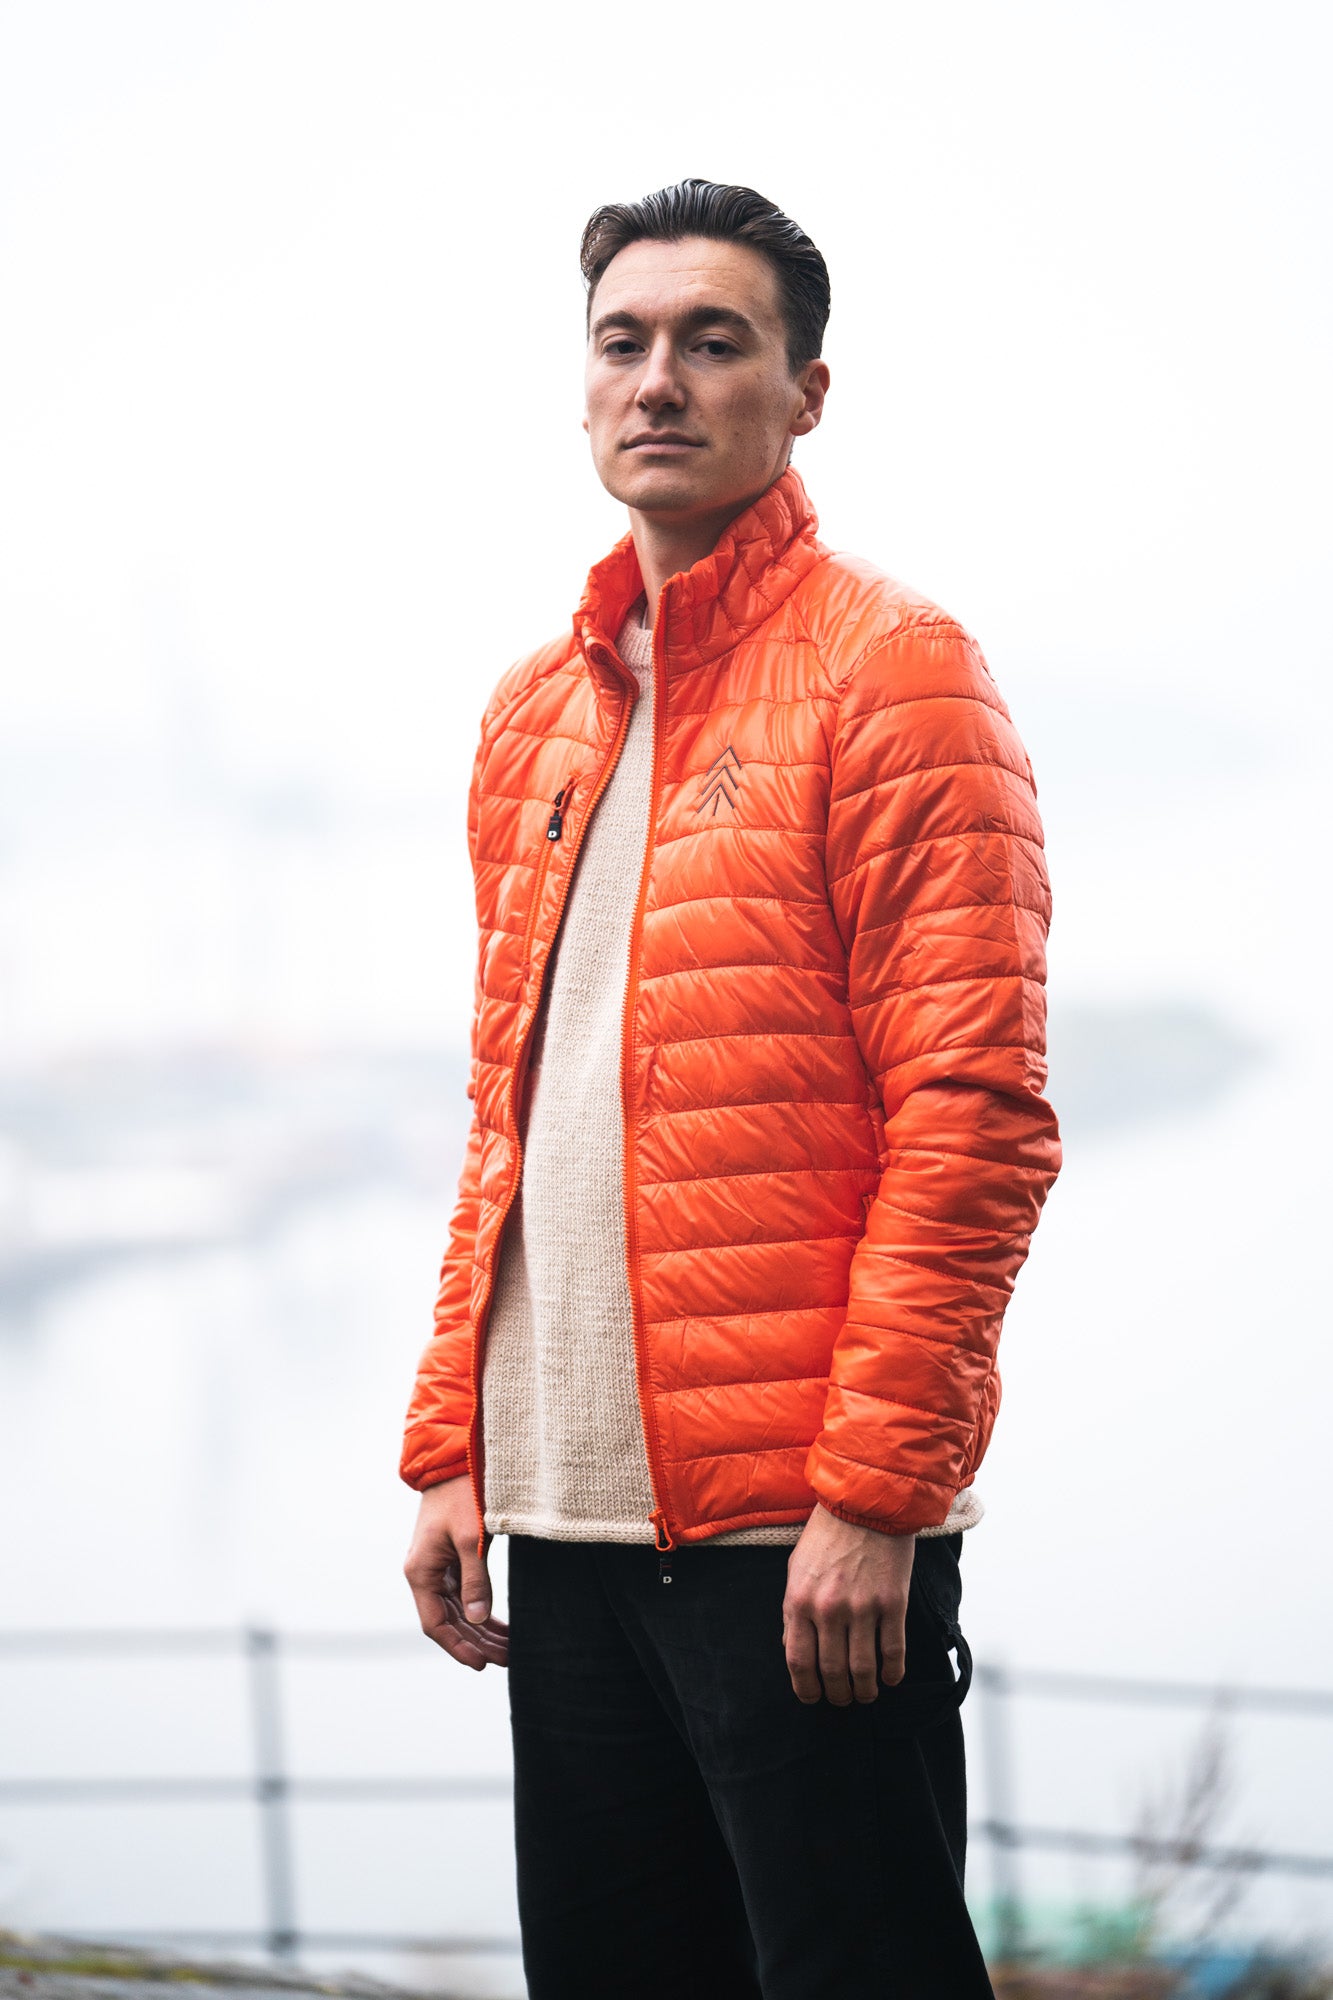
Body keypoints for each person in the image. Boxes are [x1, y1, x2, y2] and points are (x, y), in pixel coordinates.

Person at [401, 177, 1061, 1999]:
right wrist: (454, 1446)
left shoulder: (893, 671)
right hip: (565, 1526)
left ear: (805, 392)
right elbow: (506, 1116)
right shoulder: (533, 711)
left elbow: (974, 1114)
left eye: (714, 342)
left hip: (798, 1537)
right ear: (581, 382)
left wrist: (874, 1497)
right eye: (622, 341)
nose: (659, 380)